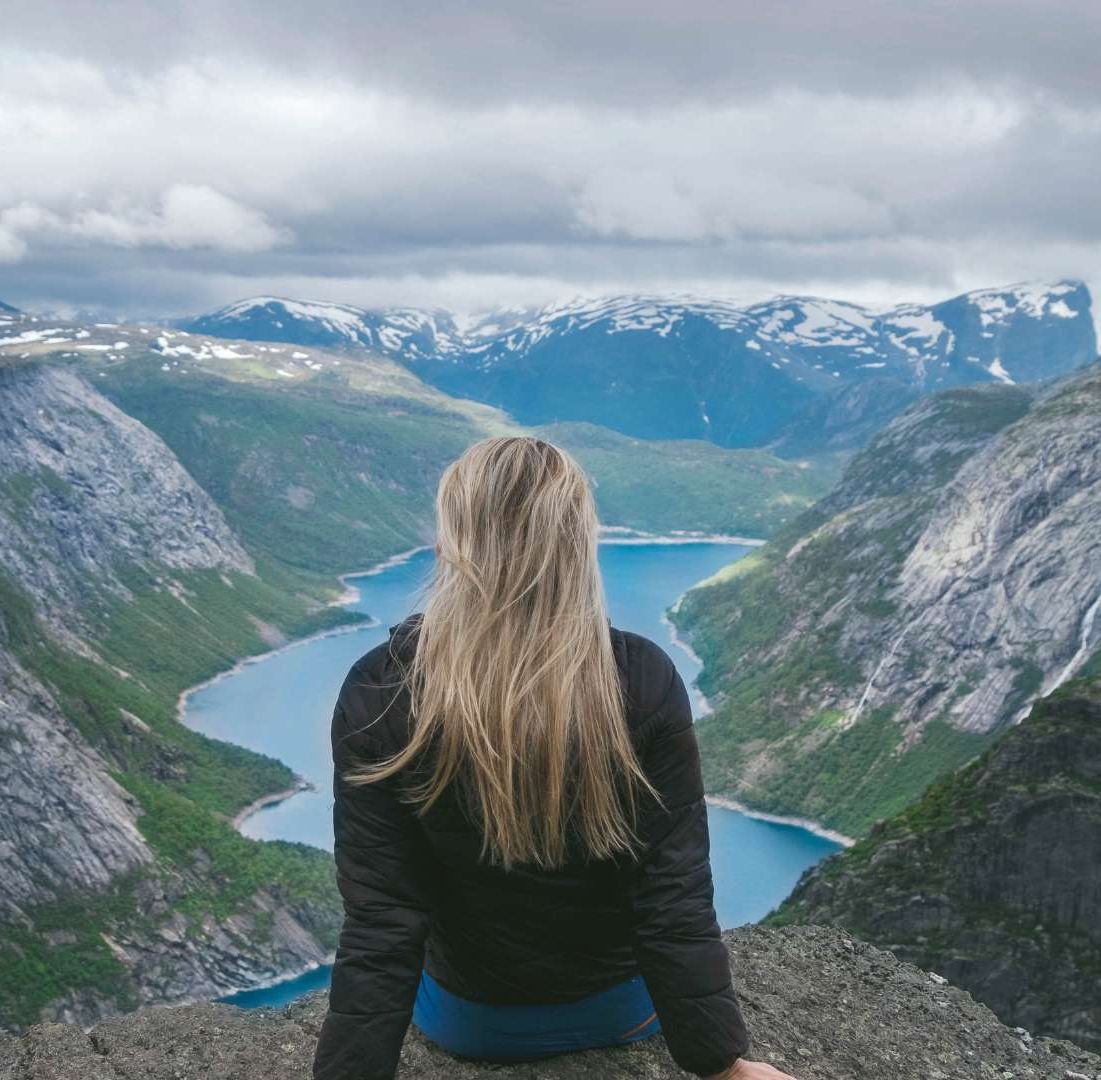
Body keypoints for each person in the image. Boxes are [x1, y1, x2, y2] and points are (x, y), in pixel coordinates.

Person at [312, 436, 797, 1080]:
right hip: (623, 1010)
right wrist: (723, 1066)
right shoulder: (641, 678)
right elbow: (672, 897)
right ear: (578, 549)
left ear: (451, 549)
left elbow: (384, 916)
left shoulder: (381, 689)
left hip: (467, 1021)